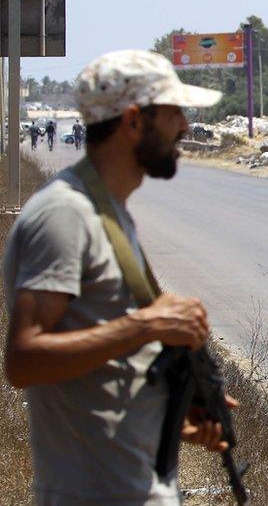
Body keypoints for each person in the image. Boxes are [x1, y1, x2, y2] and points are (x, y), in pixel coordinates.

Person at [2, 50, 232, 505]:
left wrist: (174, 417)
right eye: (173, 114)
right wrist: (147, 325)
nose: (185, 128)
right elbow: (24, 359)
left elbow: (103, 366)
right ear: (132, 122)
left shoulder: (108, 211)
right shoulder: (66, 215)